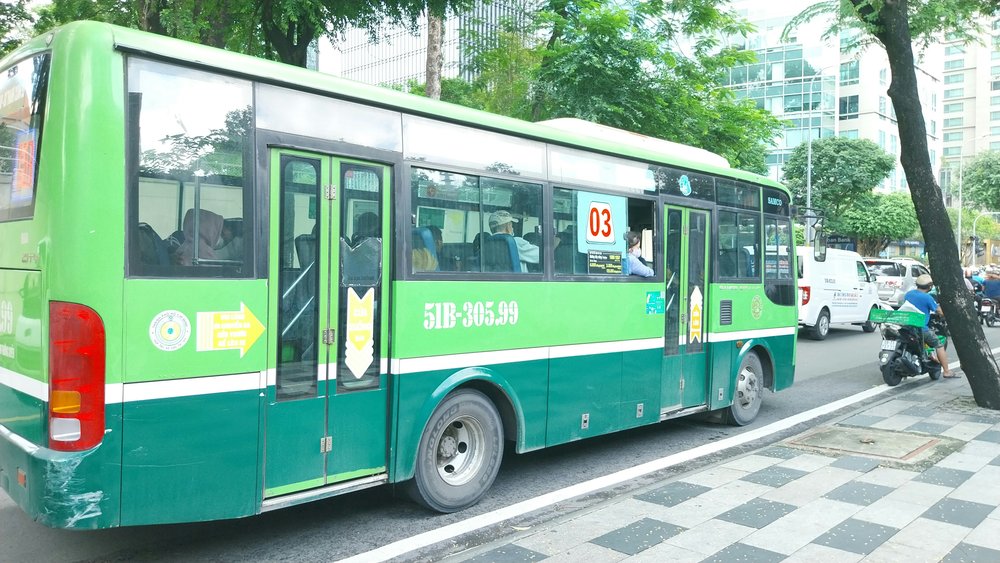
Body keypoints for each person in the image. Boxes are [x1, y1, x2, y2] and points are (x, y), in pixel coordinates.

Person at [903, 274, 954, 377]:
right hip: (920, 328)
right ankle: (947, 371)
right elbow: (939, 311)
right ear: (930, 286)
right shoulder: (927, 298)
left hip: (905, 327)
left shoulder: (908, 294)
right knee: (938, 344)